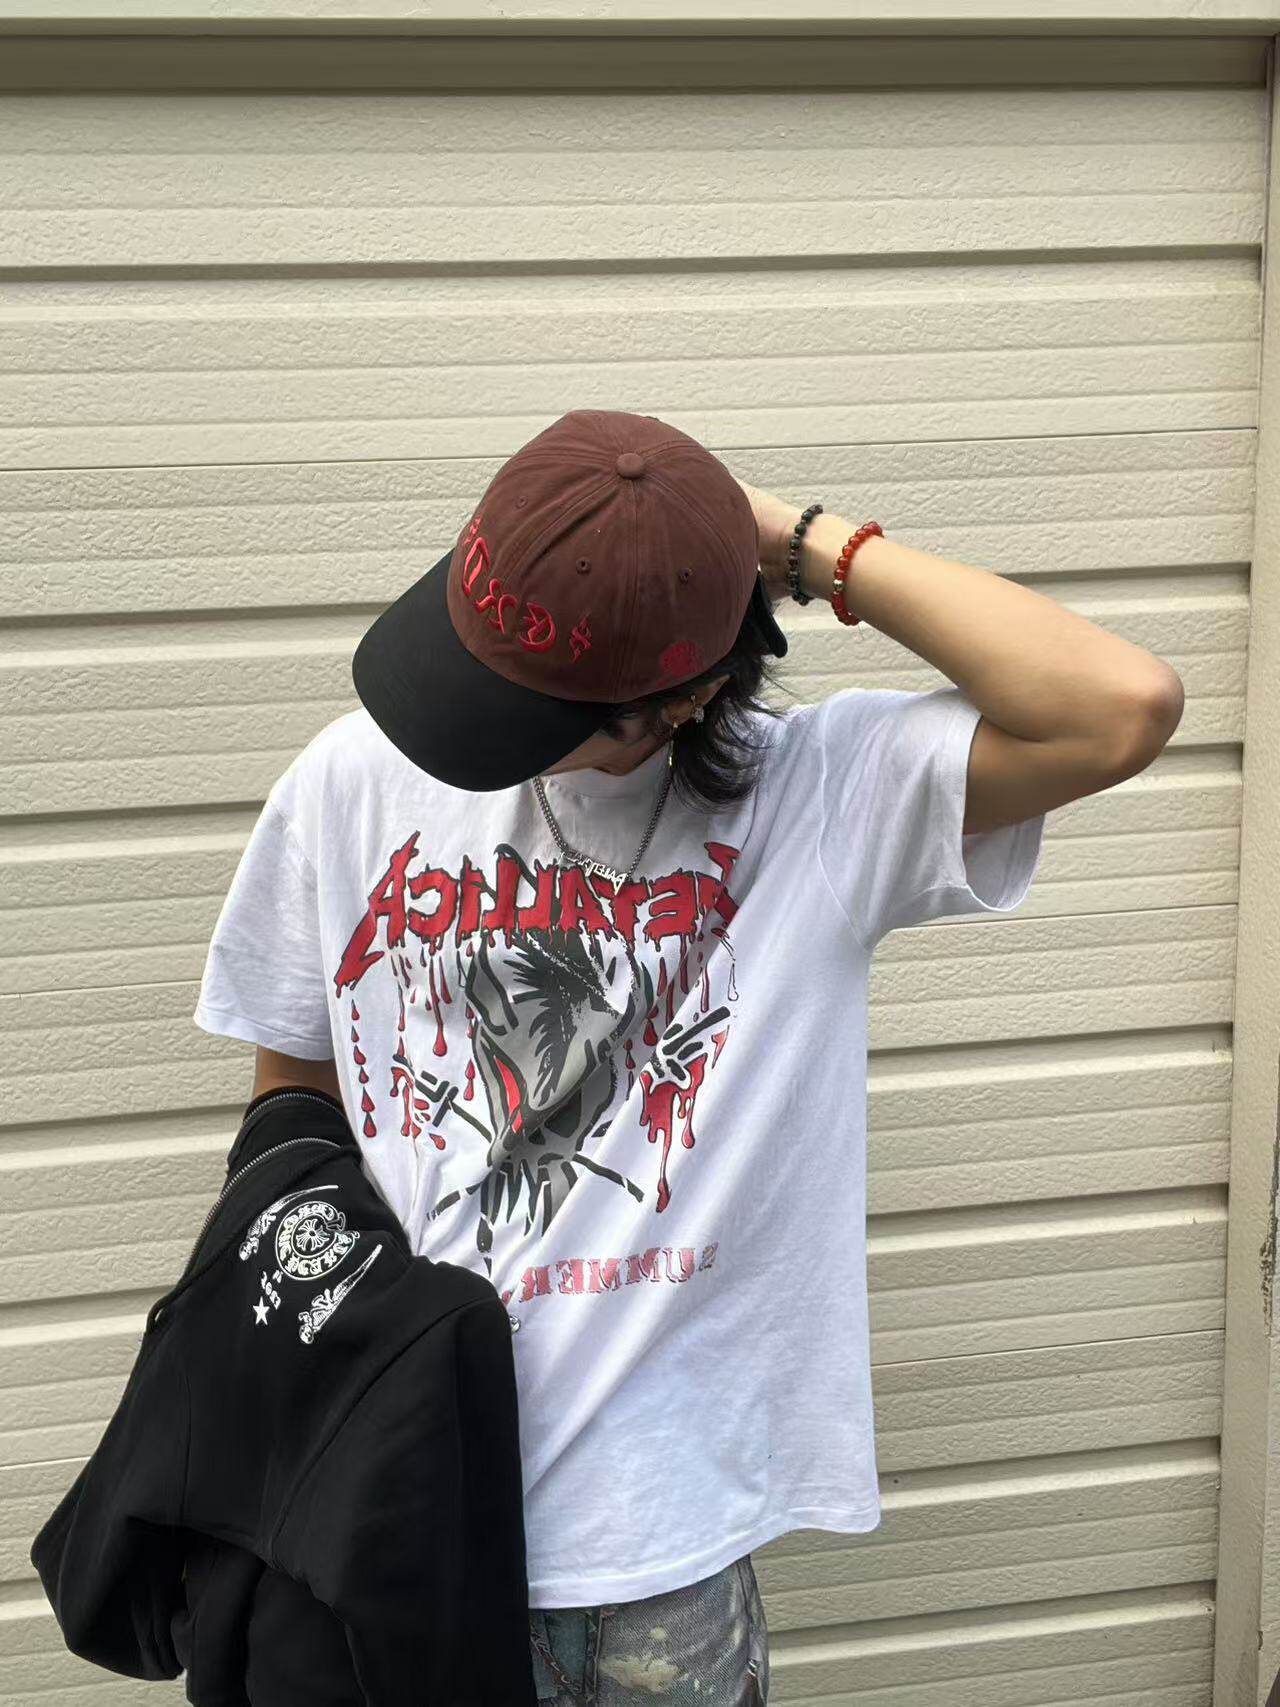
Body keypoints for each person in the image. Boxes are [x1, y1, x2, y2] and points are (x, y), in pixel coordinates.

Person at [193, 409, 1183, 1705]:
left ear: (679, 702)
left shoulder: (819, 799)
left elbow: (1120, 708)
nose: (456, 720)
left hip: (659, 1553)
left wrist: (793, 541)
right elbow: (292, 1106)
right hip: (387, 1512)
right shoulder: (350, 779)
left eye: (513, 709)